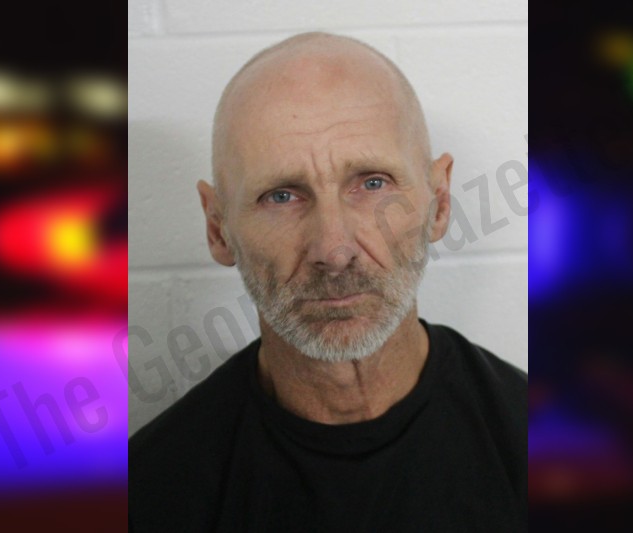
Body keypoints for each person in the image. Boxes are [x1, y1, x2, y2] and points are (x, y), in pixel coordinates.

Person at [129, 32, 526, 532]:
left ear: (440, 202)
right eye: (281, 196)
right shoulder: (149, 495)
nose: (334, 251)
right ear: (218, 228)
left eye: (373, 183)